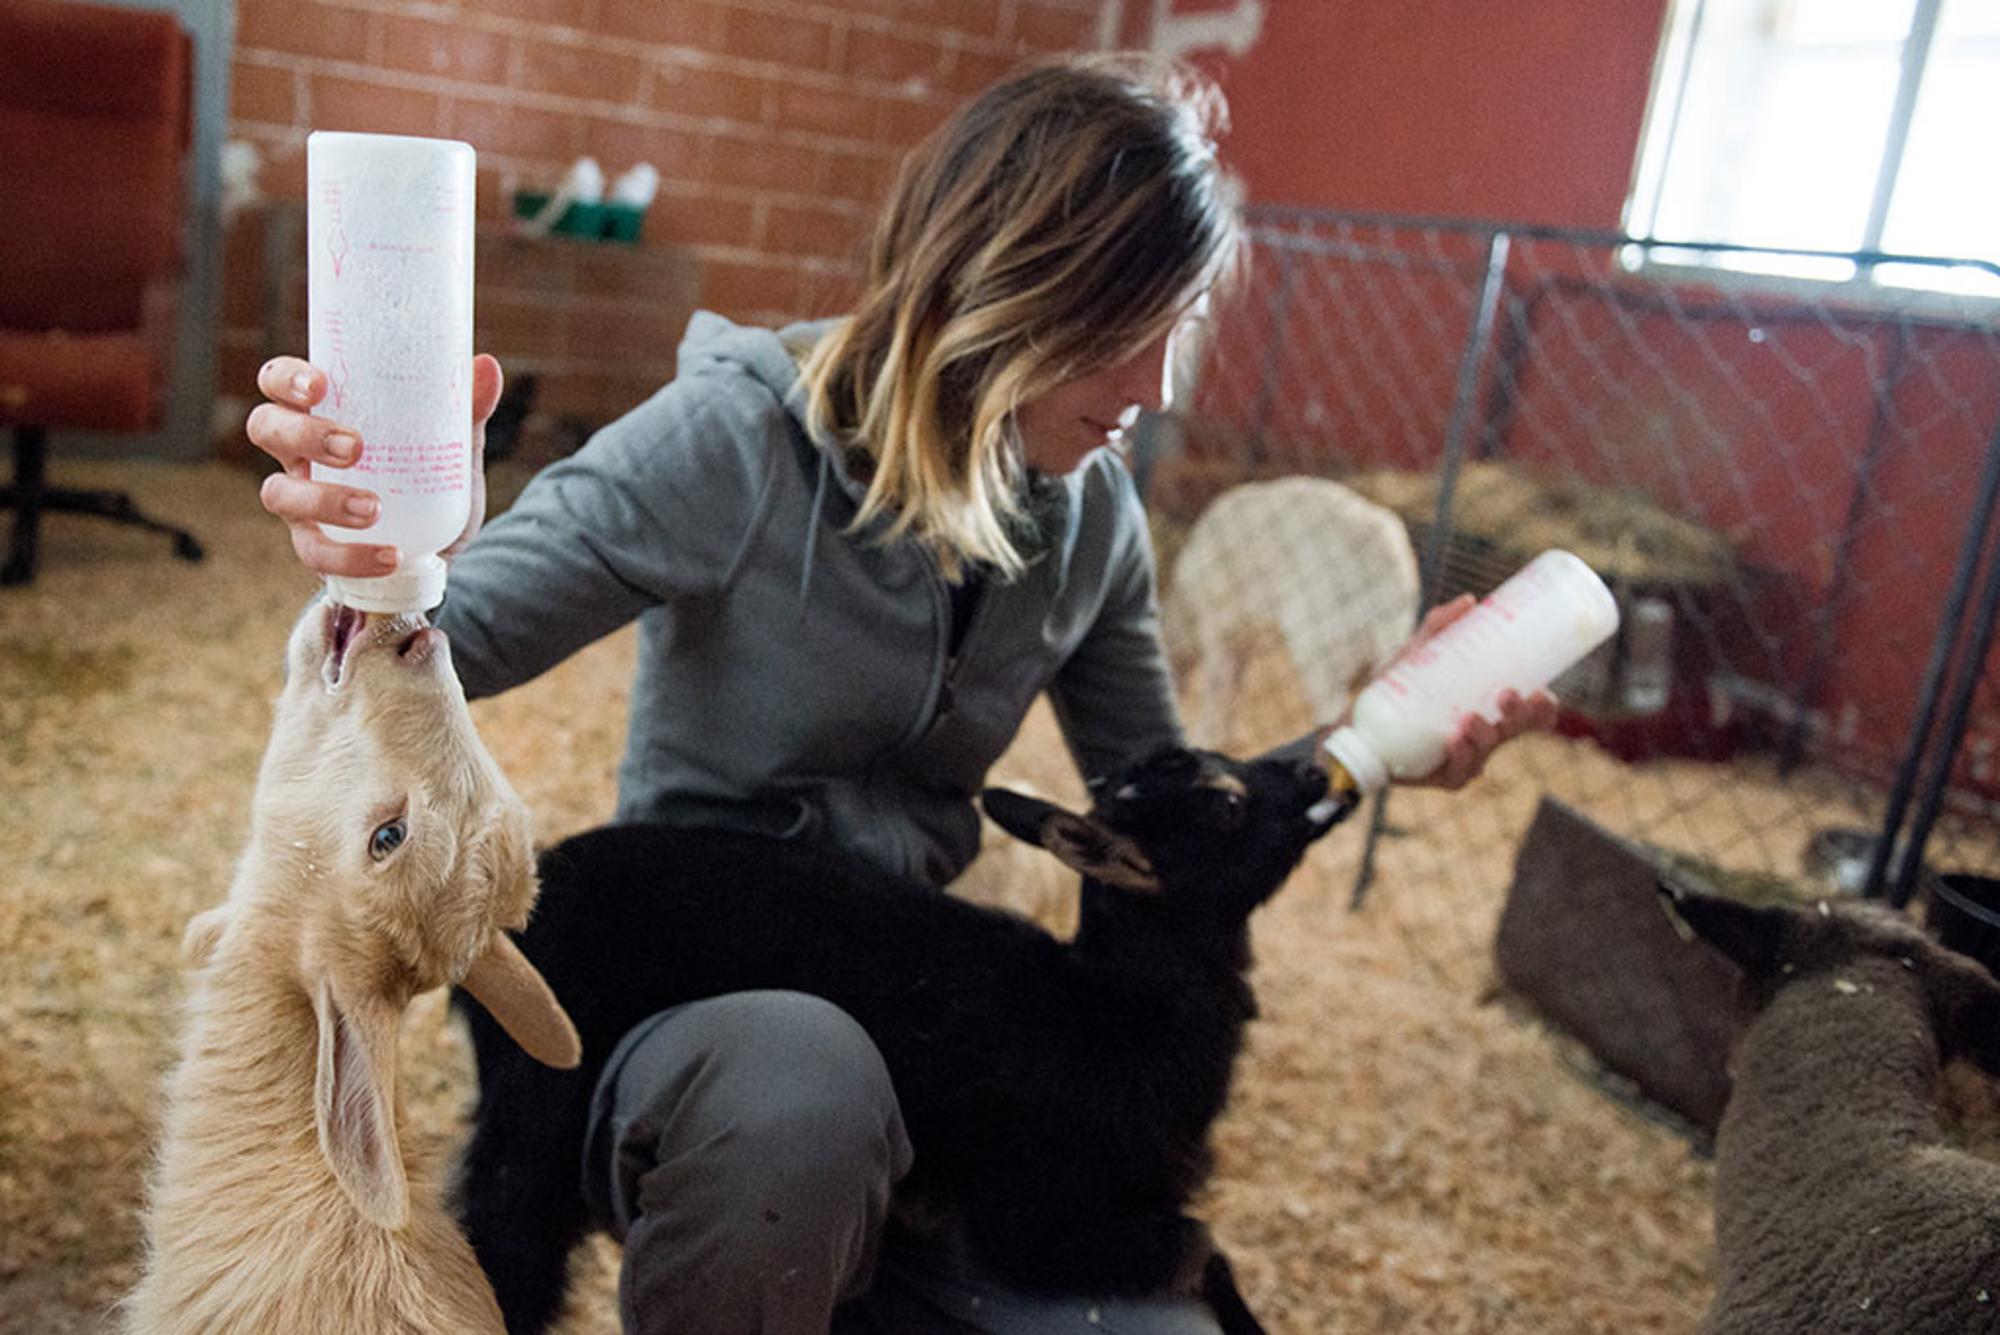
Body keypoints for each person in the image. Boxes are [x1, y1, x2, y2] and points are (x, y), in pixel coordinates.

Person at [249, 53, 1554, 1335]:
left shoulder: (1090, 516)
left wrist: (1377, 741)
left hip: (930, 1036)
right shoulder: (740, 441)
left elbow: (1163, 822)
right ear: (1014, 287)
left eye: (1179, 333)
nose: (1156, 389)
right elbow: (381, 666)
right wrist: (385, 551)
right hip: (705, 1025)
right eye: (1130, 331)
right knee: (797, 1094)